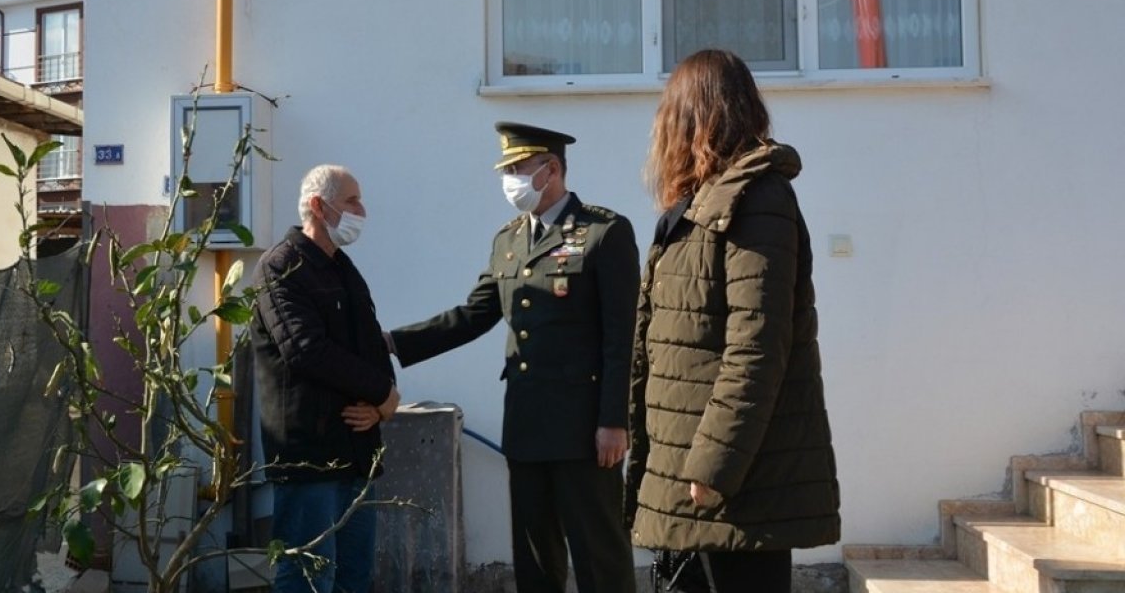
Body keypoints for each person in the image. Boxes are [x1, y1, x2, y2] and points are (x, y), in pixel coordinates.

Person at [386, 122, 639, 593]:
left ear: (552, 169)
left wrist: (614, 421)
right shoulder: (508, 240)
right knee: (535, 558)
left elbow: (620, 338)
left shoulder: (604, 232)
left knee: (598, 555)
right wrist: (393, 342)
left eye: (519, 169)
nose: (511, 180)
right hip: (526, 424)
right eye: (507, 170)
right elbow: (473, 314)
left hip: (585, 429)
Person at [624, 49, 842, 593]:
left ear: (696, 116)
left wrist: (712, 467)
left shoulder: (757, 198)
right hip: (689, 473)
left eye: (668, 111)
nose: (660, 126)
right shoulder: (696, 206)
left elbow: (757, 346)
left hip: (735, 487)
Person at [251, 164, 400, 593]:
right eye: (353, 200)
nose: (362, 210)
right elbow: (305, 350)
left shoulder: (343, 268)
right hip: (310, 458)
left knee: (353, 577)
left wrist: (380, 404)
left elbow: (370, 342)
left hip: (356, 454)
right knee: (307, 576)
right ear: (319, 205)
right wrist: (382, 393)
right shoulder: (280, 267)